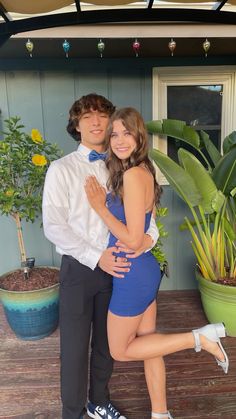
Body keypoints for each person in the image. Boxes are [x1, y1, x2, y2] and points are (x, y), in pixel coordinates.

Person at [84, 107, 229, 419]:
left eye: (127, 132)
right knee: (151, 344)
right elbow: (144, 232)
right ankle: (161, 413)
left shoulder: (134, 175)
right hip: (143, 269)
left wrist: (100, 207)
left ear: (140, 137)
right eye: (115, 134)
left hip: (132, 273)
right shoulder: (138, 171)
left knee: (119, 350)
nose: (119, 140)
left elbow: (134, 238)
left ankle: (199, 338)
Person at [42, 93, 159, 419]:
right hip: (80, 269)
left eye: (102, 115)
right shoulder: (61, 169)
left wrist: (146, 241)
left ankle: (99, 402)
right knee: (75, 349)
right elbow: (54, 226)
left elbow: (150, 219)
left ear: (112, 124)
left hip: (120, 266)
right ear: (76, 126)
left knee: (108, 346)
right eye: (87, 116)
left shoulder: (125, 166)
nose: (96, 122)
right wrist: (97, 256)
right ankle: (73, 413)